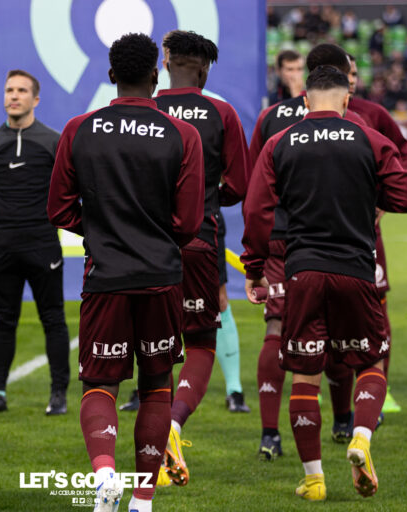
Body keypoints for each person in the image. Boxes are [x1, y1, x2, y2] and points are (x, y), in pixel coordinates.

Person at [242, 65, 407, 501]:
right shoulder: (369, 138)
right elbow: (406, 198)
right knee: (369, 362)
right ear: (344, 100)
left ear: (304, 100)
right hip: (356, 269)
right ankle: (360, 436)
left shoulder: (281, 142)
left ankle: (315, 479)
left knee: (304, 373)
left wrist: (255, 269)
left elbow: (257, 211)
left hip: (301, 271)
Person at [48, 33, 204, 512]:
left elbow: (58, 207)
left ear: (111, 75)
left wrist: (98, 232)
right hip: (160, 278)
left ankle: (104, 476)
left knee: (100, 384)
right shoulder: (184, 134)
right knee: (156, 386)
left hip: (105, 278)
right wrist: (156, 240)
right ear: (156, 75)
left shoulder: (79, 129)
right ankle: (142, 500)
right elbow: (189, 223)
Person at [248, 43, 367, 460]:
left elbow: (254, 188)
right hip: (335, 241)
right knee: (334, 335)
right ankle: (341, 421)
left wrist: (253, 262)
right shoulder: (354, 122)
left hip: (288, 243)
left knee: (283, 329)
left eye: (300, 67)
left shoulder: (273, 121)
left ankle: (277, 435)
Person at [153, 29, 249, 487]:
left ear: (165, 62)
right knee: (201, 345)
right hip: (200, 241)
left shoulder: (142, 109)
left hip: (145, 245)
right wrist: (206, 195)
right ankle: (172, 424)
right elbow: (240, 185)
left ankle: (148, 442)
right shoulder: (222, 111)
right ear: (205, 69)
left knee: (151, 347)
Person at [0, 69, 70, 416]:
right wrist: (0, 215)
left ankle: (59, 394)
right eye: (9, 89)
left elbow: (69, 190)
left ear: (35, 99)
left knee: (53, 319)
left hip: (43, 246)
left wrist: (44, 221)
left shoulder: (53, 142)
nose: (14, 96)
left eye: (22, 90)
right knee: (4, 321)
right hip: (2, 248)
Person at [347, 53, 407, 416]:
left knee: (378, 312)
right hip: (320, 240)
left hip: (368, 238)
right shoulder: (306, 119)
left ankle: (379, 389)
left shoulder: (373, 115)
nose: (352, 80)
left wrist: (385, 200)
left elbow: (403, 155)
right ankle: (335, 388)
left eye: (355, 73)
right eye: (345, 74)